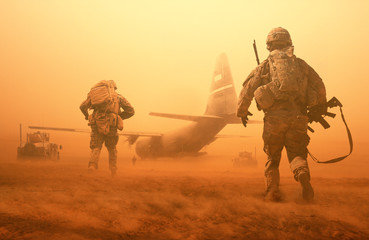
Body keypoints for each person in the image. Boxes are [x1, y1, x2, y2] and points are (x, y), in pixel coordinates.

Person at [237, 27, 327, 202]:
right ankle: (302, 176)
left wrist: (242, 112)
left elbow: (247, 90)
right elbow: (320, 86)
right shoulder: (301, 65)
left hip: (274, 119)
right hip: (298, 118)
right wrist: (319, 107)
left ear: (269, 45)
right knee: (297, 154)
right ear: (288, 43)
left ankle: (272, 191)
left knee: (273, 157)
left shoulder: (263, 67)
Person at [80, 80, 135, 176]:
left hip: (97, 124)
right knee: (112, 148)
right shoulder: (119, 98)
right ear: (114, 88)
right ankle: (113, 167)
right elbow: (131, 111)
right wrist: (118, 117)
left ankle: (92, 165)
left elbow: (82, 106)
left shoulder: (95, 97)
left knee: (96, 147)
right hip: (112, 125)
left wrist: (86, 115)